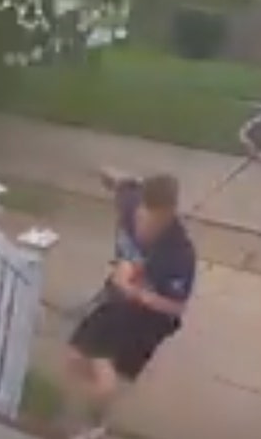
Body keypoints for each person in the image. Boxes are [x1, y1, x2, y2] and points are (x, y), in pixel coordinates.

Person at [66, 170, 197, 439]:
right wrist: (110, 176)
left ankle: (94, 427)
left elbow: (176, 308)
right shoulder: (130, 202)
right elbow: (123, 184)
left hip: (151, 318)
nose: (146, 228)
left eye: (155, 224)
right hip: (117, 298)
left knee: (106, 380)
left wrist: (139, 293)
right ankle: (100, 405)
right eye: (143, 219)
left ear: (169, 214)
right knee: (75, 358)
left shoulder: (180, 253)